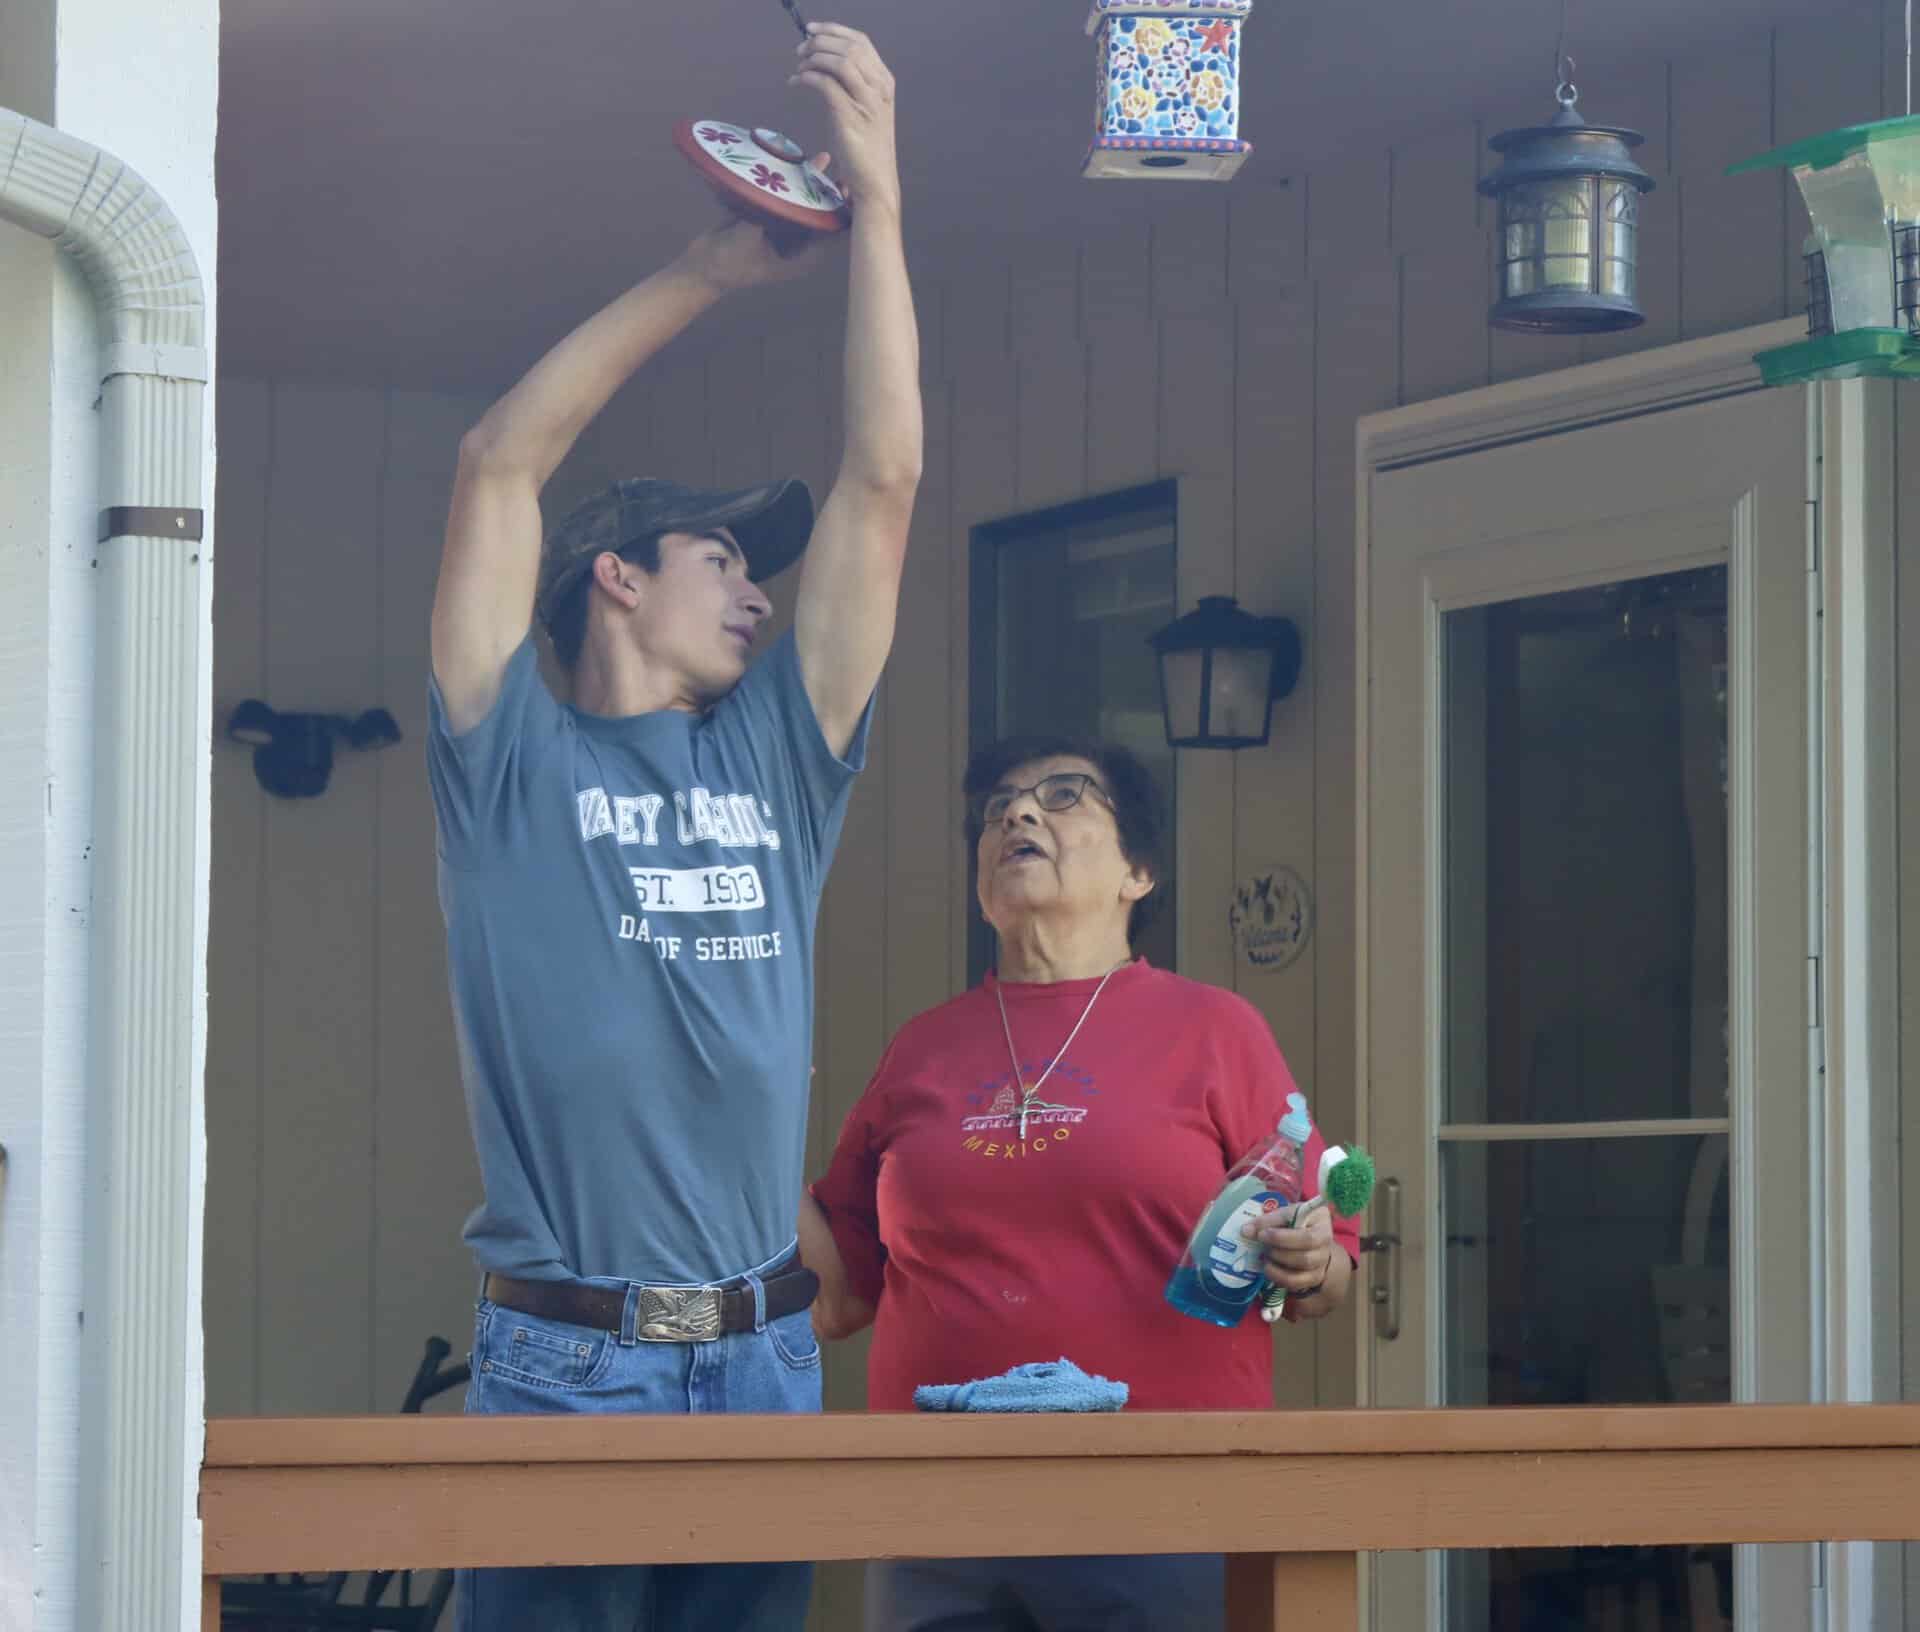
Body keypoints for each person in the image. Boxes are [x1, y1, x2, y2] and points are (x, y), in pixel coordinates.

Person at [425, 23, 919, 1631]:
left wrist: (883, 199)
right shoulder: (513, 762)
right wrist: (714, 269)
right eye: (724, 561)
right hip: (571, 1357)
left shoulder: (780, 760)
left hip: (769, 1354)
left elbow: (885, 481)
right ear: (620, 577)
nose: (761, 594)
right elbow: (501, 462)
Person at [800, 736, 1360, 1632]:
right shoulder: (923, 1049)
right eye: (998, 809)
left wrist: (1308, 1258)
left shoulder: (1214, 1029)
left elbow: (1328, 1263)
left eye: (1064, 797)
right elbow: (836, 1298)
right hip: (940, 1511)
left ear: (1139, 870)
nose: (1018, 814)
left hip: (1160, 1506)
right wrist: (742, 1127)